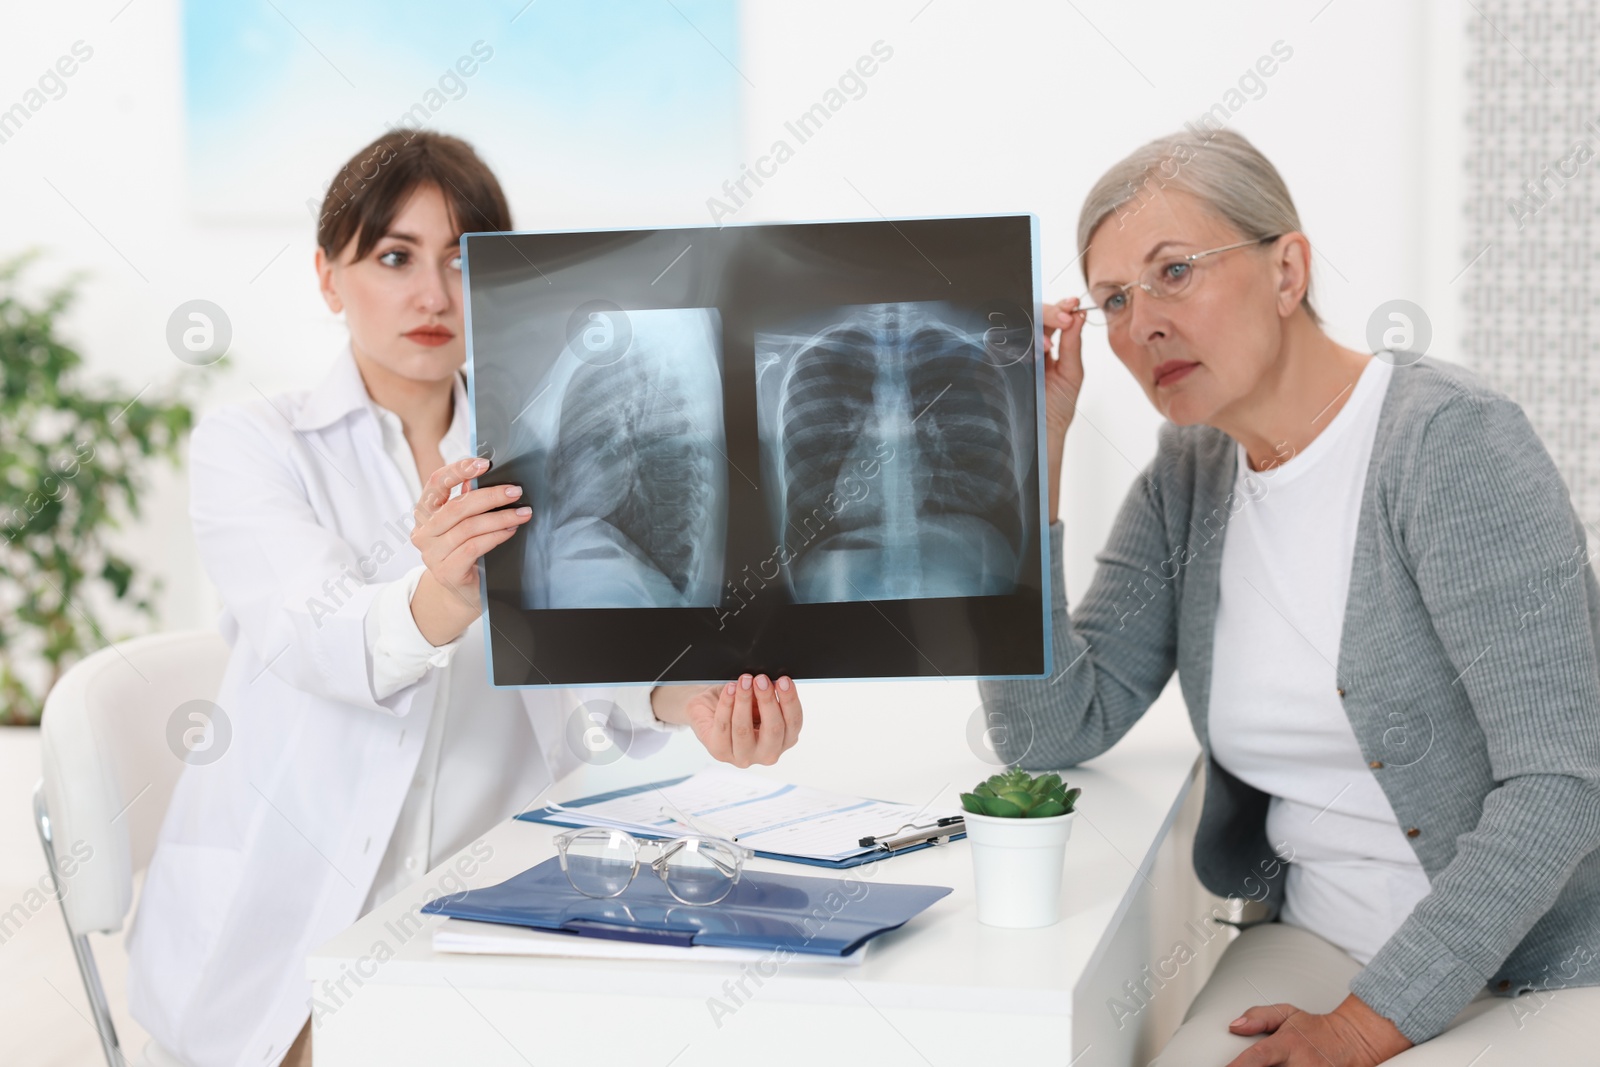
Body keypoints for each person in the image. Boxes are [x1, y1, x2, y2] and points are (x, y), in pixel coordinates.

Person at [125, 130, 804, 1067]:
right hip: (278, 943)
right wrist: (448, 589)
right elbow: (316, 637)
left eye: (463, 261)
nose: (434, 294)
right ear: (328, 277)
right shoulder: (254, 446)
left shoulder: (552, 440)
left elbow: (583, 669)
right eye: (394, 256)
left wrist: (698, 703)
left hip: (482, 916)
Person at [980, 128, 1600, 1066]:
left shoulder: (1449, 442)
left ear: (1288, 270)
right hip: (1314, 945)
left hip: (1531, 965)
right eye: (1112, 298)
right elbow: (1049, 729)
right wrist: (1029, 459)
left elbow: (1562, 780)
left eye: (1174, 272)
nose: (1141, 322)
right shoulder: (1187, 478)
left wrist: (1362, 1025)